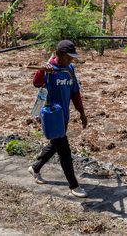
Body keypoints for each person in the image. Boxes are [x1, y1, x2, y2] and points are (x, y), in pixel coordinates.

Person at [28, 39, 88, 198]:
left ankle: (35, 168)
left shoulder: (69, 69)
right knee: (64, 151)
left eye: (72, 58)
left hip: (64, 116)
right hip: (51, 116)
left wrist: (81, 112)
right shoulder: (49, 69)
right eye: (67, 57)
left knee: (55, 145)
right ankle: (74, 185)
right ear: (57, 54)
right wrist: (42, 70)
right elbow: (36, 83)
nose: (70, 61)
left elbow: (75, 92)